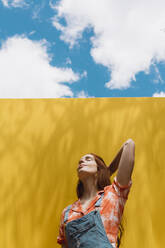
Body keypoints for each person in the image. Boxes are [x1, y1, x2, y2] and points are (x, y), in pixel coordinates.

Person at [57, 138, 135, 248]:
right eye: (80, 162)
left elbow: (129, 144)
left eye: (88, 159)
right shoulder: (67, 212)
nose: (82, 162)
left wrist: (107, 172)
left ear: (98, 169)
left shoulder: (112, 195)